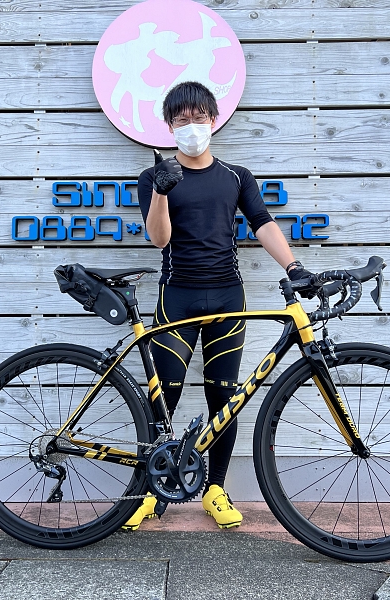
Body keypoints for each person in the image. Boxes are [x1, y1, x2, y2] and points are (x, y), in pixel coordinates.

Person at [123, 81, 313, 531]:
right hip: (177, 296)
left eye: (199, 118)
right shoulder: (154, 176)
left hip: (228, 296)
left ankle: (215, 489)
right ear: (169, 125)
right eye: (181, 120)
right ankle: (148, 491)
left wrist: (293, 266)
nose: (191, 126)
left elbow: (262, 223)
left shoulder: (236, 176)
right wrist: (162, 191)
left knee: (224, 397)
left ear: (213, 119)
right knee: (163, 397)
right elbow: (159, 239)